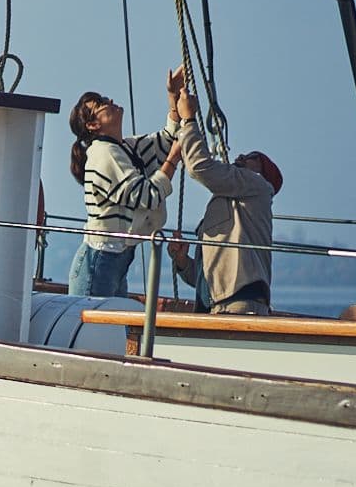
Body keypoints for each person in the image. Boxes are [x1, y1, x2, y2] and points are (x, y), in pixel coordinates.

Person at [66, 70, 185, 296]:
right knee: (95, 330)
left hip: (114, 259)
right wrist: (174, 159)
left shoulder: (124, 148)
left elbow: (166, 141)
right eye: (101, 104)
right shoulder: (105, 153)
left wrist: (173, 97)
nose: (109, 102)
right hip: (100, 261)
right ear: (92, 125)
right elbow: (146, 196)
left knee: (108, 330)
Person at [168, 85, 284, 315]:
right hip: (219, 305)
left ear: (261, 176)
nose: (242, 156)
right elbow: (206, 277)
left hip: (240, 305)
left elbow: (200, 167)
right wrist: (182, 261)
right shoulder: (228, 204)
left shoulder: (258, 186)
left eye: (253, 159)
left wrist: (189, 121)